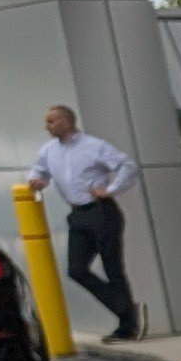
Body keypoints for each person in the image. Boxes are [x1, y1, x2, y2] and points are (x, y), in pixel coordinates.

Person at [28, 105, 142, 341]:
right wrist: (36, 180)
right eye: (47, 122)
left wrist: (110, 190)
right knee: (76, 269)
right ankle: (126, 309)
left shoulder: (94, 146)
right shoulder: (49, 150)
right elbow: (39, 170)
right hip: (78, 214)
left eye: (52, 121)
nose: (47, 127)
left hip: (102, 211)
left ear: (67, 121)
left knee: (113, 268)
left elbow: (127, 165)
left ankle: (127, 326)